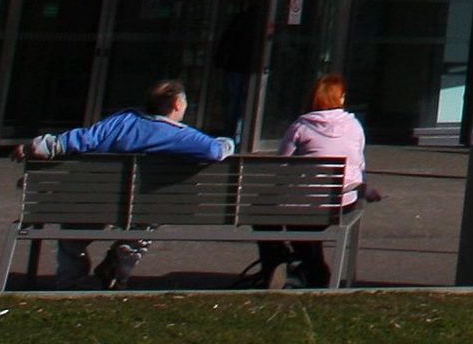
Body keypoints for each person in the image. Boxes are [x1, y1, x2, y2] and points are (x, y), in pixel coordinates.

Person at [18, 79, 228, 286]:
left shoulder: (123, 119)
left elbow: (85, 138)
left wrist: (41, 146)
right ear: (177, 105)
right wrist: (228, 143)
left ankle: (70, 281)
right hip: (141, 207)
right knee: (147, 219)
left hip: (92, 200)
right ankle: (119, 268)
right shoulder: (180, 136)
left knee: (72, 237)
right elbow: (214, 150)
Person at [254, 74, 367, 289]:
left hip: (304, 202)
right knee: (305, 218)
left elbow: (282, 165)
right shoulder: (355, 126)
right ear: (339, 99)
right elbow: (358, 163)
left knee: (265, 211)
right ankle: (313, 271)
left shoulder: (301, 126)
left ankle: (280, 262)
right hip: (341, 201)